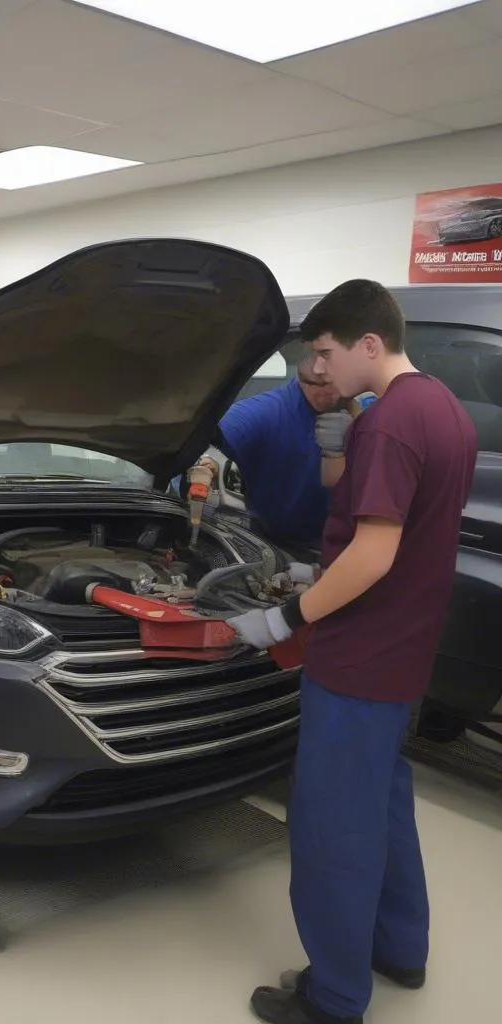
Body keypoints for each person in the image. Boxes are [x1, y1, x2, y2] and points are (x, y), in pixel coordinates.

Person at [227, 280, 477, 1024]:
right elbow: (412, 539)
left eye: (328, 354)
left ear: (371, 343)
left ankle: (333, 996)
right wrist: (316, 568)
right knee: (386, 802)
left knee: (333, 822)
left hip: (358, 660)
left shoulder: (390, 424)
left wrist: (285, 618)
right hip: (406, 653)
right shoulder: (444, 409)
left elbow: (372, 555)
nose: (320, 372)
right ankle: (401, 947)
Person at [186, 353, 366, 548]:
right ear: (300, 376)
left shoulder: (366, 412)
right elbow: (212, 441)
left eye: (331, 383)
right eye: (314, 383)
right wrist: (207, 461)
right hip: (272, 543)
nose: (324, 392)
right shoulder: (267, 412)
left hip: (342, 541)